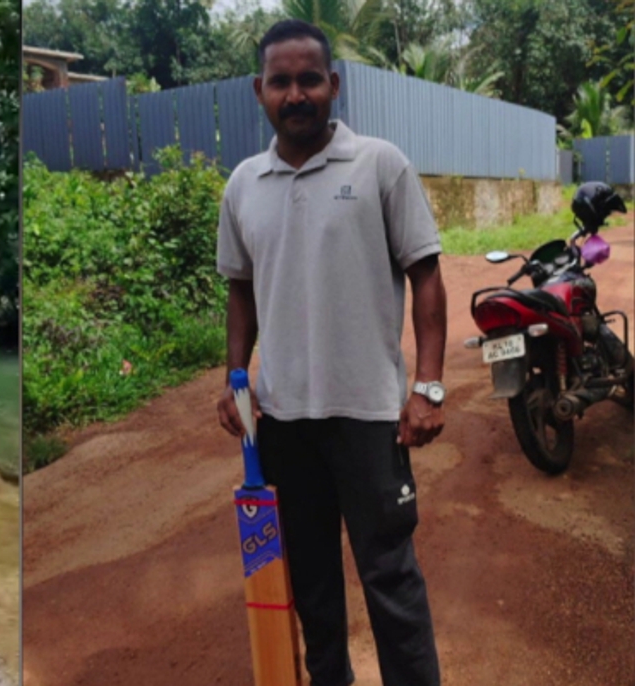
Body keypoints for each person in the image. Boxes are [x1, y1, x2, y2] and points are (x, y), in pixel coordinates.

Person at [214, 20, 446, 686]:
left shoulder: (380, 165)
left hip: (369, 417)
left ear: (333, 86)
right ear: (260, 91)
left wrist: (428, 387)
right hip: (284, 422)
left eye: (309, 79)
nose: (296, 94)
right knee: (312, 587)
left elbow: (426, 274)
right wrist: (237, 379)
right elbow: (241, 289)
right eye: (281, 82)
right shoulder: (243, 185)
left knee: (391, 581)